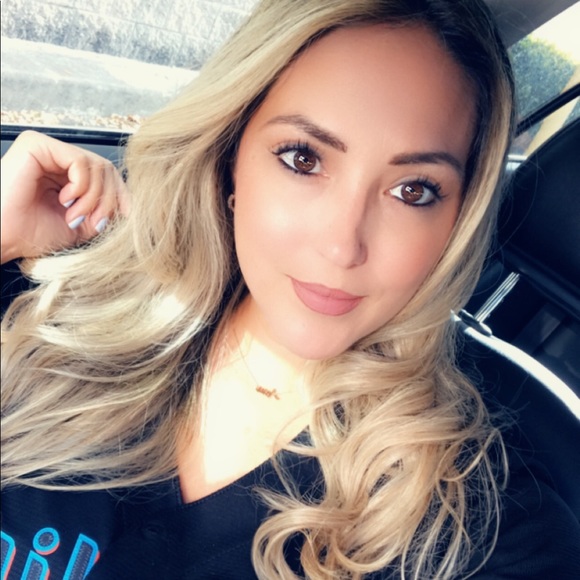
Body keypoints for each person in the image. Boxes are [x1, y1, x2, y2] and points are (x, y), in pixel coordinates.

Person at [1, 0, 579, 578]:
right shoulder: (48, 309)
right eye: (303, 158)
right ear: (230, 156)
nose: (342, 247)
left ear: (457, 221)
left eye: (413, 191)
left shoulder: (479, 522)